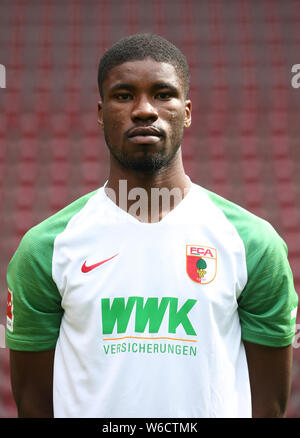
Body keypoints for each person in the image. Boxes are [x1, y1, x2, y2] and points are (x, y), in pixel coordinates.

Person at [6, 33, 298, 418]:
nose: (144, 110)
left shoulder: (254, 244)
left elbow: (270, 405)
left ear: (188, 111)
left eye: (163, 94)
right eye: (124, 95)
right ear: (100, 112)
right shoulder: (46, 247)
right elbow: (32, 403)